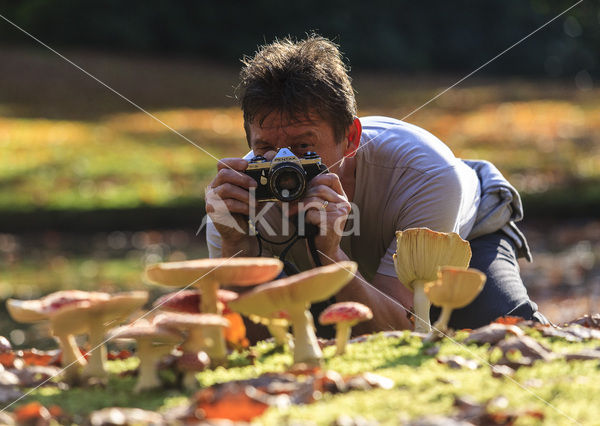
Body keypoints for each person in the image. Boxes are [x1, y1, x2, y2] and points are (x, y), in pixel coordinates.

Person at [204, 35, 546, 337]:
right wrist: (238, 249)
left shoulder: (425, 175)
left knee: (507, 327)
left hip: (463, 235)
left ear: (351, 138)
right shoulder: (239, 193)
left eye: (304, 148)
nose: (284, 166)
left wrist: (331, 253)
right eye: (265, 149)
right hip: (335, 268)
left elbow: (402, 327)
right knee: (311, 334)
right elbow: (239, 338)